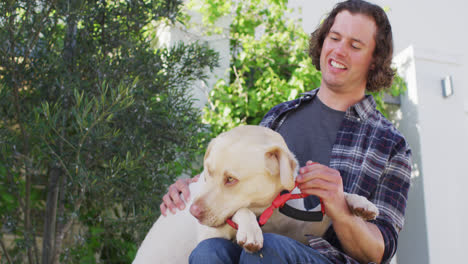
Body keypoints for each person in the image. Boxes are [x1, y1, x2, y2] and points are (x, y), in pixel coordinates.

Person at [160, 0, 412, 263]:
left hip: (321, 257)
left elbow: (379, 250)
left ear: (375, 60)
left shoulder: (390, 145)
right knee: (208, 251)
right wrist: (192, 188)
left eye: (355, 45)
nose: (339, 50)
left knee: (267, 250)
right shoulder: (279, 117)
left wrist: (339, 207)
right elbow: (234, 182)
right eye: (334, 38)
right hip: (258, 247)